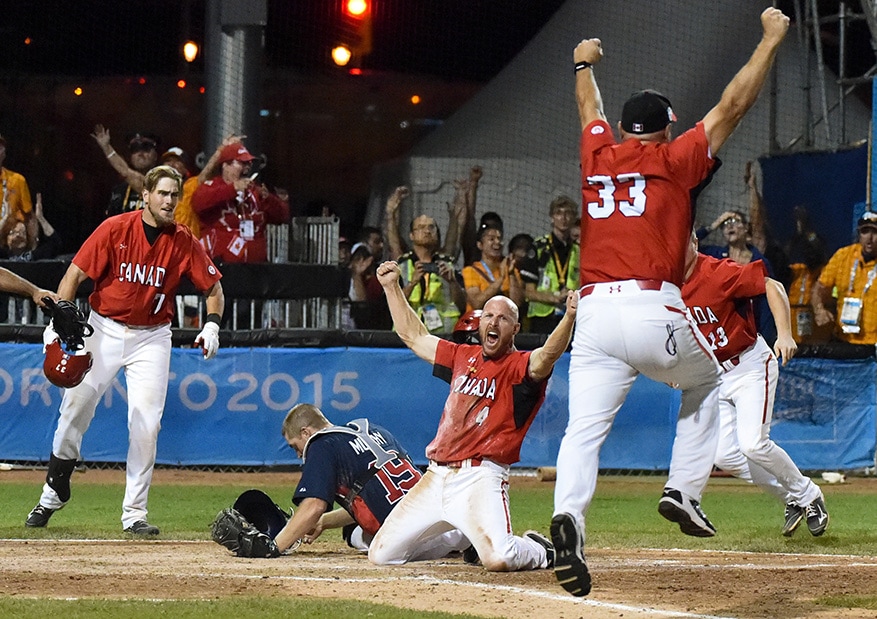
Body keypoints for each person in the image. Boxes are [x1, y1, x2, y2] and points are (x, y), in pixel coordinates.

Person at [553, 7, 789, 597]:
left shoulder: (597, 155)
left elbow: (589, 109)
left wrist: (583, 62)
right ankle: (683, 490)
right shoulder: (674, 159)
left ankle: (568, 521)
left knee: (582, 430)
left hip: (593, 315)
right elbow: (733, 105)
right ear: (664, 129)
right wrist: (770, 40)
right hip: (651, 305)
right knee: (710, 377)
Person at [25, 165, 225, 535]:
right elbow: (73, 277)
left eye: (174, 195)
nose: (169, 201)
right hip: (103, 327)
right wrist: (56, 327)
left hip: (152, 337)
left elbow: (213, 289)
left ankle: (134, 514)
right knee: (74, 408)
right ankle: (53, 493)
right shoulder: (114, 228)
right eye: (162, 193)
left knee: (146, 423)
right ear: (145, 195)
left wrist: (212, 324)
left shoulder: (183, 240)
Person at [368, 259, 577, 572]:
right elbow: (413, 335)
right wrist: (391, 287)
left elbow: (547, 355)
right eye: (489, 315)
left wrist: (570, 316)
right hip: (436, 476)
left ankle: (540, 550)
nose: (493, 322)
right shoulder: (461, 355)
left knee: (500, 559)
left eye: (503, 319)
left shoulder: (519, 367)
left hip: (481, 477)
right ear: (480, 324)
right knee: (381, 555)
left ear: (516, 329)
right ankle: (461, 536)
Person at [681, 233, 829, 538]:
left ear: (694, 242)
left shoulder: (717, 271)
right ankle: (793, 497)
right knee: (725, 455)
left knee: (753, 444)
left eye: (682, 242)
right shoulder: (667, 287)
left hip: (748, 363)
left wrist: (784, 333)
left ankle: (810, 495)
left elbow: (771, 285)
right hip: (713, 375)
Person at [273, 403, 469, 557]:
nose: (298, 454)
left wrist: (274, 546)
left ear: (306, 432)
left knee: (377, 550)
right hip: (444, 514)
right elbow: (378, 497)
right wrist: (324, 522)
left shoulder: (321, 444)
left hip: (416, 536)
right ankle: (468, 537)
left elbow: (313, 506)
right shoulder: (370, 429)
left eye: (294, 446)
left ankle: (458, 541)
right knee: (355, 527)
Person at [191, 141, 290, 264]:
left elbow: (282, 216)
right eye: (242, 163)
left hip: (255, 269)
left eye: (249, 163)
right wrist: (232, 189)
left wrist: (268, 198)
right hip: (219, 267)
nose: (247, 167)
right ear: (225, 165)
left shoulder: (255, 192)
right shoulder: (211, 186)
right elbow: (198, 203)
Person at [393, 212, 467, 334]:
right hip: (408, 334)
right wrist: (412, 283)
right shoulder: (401, 266)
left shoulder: (449, 265)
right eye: (421, 227)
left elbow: (462, 305)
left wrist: (452, 282)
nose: (427, 231)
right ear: (411, 235)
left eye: (431, 227)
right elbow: (392, 304)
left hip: (442, 336)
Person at [812, 211, 877, 345]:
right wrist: (819, 310)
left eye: (875, 233)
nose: (870, 238)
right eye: (865, 232)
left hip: (874, 344)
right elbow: (819, 287)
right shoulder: (843, 256)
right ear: (859, 235)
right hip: (843, 339)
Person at [526, 196, 581, 334]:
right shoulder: (538, 248)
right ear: (552, 217)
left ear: (574, 218)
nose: (563, 218)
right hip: (543, 320)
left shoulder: (579, 251)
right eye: (558, 213)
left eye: (568, 213)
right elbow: (527, 292)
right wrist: (555, 297)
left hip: (572, 318)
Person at [461, 224, 524, 312]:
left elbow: (517, 303)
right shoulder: (470, 271)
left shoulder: (511, 269)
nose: (497, 242)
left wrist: (511, 274)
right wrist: (501, 279)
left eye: (500, 238)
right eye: (491, 239)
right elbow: (477, 303)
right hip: (479, 322)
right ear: (480, 245)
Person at [103, 131, 160, 217]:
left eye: (146, 148)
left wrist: (107, 148)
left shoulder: (164, 183)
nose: (140, 154)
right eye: (135, 149)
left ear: (155, 156)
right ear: (130, 157)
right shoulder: (119, 190)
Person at [0, 133, 37, 243]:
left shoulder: (17, 180)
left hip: (10, 244)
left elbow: (29, 216)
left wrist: (32, 247)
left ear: (4, 153)